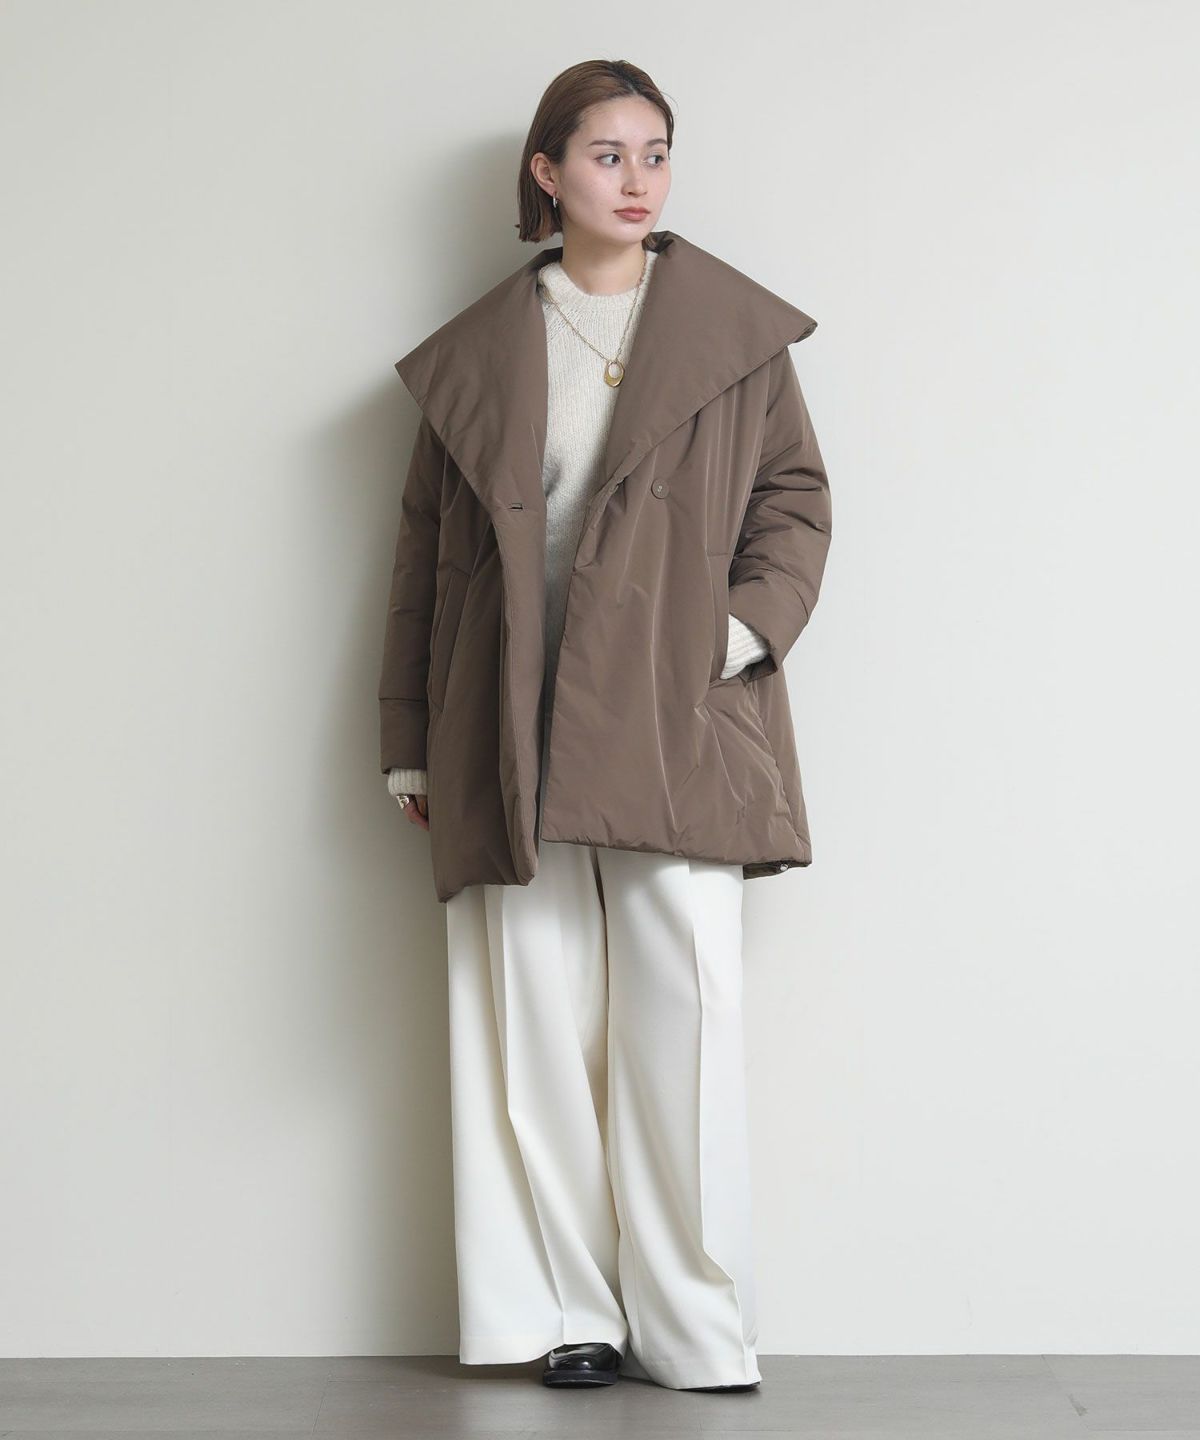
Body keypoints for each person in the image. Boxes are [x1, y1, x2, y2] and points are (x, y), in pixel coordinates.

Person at [378, 59, 832, 1392]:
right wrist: (410, 735)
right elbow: (425, 556)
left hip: (672, 708)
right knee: (532, 1023)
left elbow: (795, 502)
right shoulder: (478, 352)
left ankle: (695, 1327)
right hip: (505, 713)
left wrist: (736, 637)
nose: (638, 181)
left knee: (683, 1015)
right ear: (547, 171)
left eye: (656, 153)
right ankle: (567, 1313)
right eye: (607, 155)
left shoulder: (735, 336)